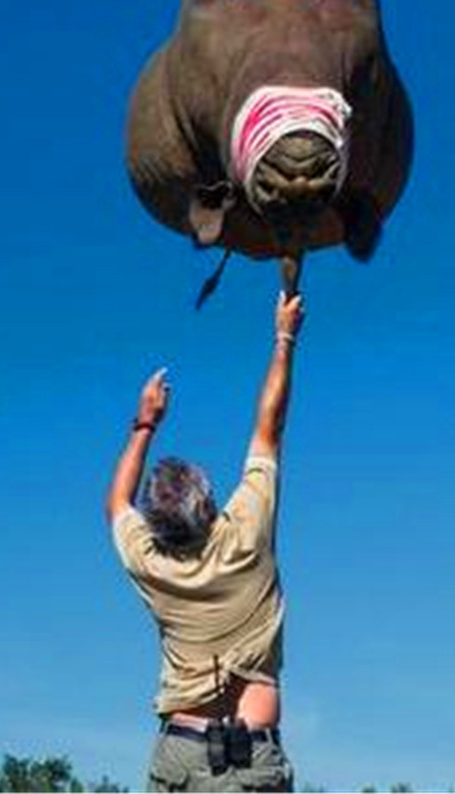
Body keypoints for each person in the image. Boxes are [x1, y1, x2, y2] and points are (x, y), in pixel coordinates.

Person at [106, 290, 305, 793]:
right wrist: (284, 337)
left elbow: (117, 505)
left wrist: (145, 422)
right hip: (252, 756)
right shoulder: (245, 535)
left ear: (156, 526)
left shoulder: (150, 564)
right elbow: (269, 428)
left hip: (179, 754)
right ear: (210, 503)